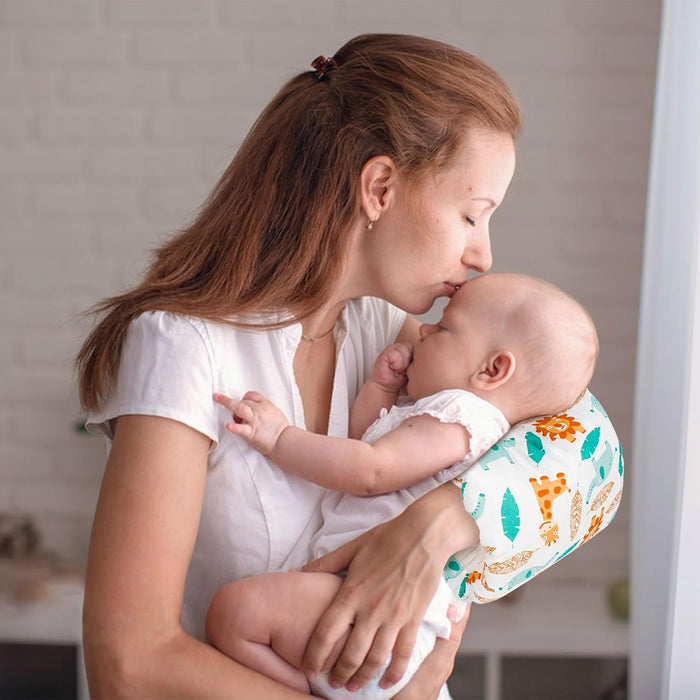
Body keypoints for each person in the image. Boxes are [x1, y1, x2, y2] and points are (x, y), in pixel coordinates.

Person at [77, 33, 526, 698]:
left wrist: (443, 524)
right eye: (470, 215)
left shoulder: (393, 341)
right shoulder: (185, 347)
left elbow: (587, 449)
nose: (483, 256)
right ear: (380, 187)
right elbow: (129, 663)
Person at [206, 273, 598, 698]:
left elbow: (370, 471)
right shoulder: (440, 413)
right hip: (369, 609)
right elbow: (365, 444)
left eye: (444, 327)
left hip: (372, 615)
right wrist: (381, 390)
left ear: (492, 369)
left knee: (235, 615)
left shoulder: (463, 417)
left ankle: (301, 686)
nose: (424, 330)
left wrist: (280, 439)